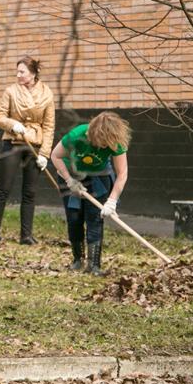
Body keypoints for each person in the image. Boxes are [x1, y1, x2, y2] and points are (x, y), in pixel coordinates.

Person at [50, 112, 131, 276]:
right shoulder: (77, 135)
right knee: (74, 217)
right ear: (94, 134)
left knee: (95, 218)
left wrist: (112, 201)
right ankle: (77, 259)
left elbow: (122, 173)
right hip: (71, 173)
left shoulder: (115, 140)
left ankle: (94, 265)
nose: (103, 147)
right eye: (102, 142)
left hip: (99, 177)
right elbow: (55, 156)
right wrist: (69, 181)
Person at [0, 56, 55, 244]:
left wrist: (44, 154)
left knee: (30, 192)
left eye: (22, 72)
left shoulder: (47, 94)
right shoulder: (10, 91)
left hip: (34, 145)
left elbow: (49, 126)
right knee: (4, 189)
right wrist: (12, 124)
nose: (18, 75)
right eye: (17, 71)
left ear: (33, 73)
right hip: (13, 143)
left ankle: (26, 235)